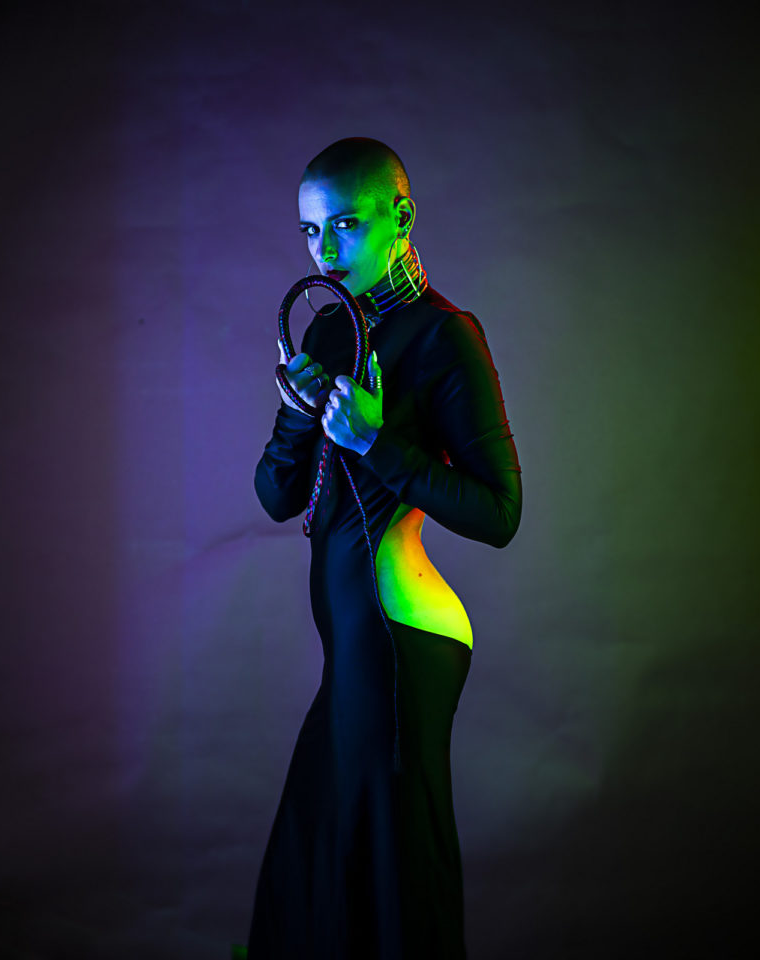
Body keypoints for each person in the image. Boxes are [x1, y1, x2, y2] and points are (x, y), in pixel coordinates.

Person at [248, 137, 522, 959]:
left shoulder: (446, 337)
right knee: (321, 862)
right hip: (353, 650)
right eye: (310, 231)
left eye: (347, 224)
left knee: (391, 871)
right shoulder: (330, 329)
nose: (325, 250)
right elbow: (277, 498)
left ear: (401, 217)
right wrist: (296, 416)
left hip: (402, 641)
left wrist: (374, 443)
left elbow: (499, 513)